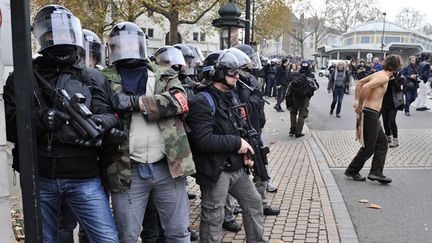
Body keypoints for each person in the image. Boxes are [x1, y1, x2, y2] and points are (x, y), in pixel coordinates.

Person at [4, 5, 121, 242]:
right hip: (41, 177)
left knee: (107, 238)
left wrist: (98, 123)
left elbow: (110, 113)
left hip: (85, 177)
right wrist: (41, 118)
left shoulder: (92, 76)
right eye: (51, 34)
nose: (58, 40)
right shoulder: (22, 77)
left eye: (66, 34)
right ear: (41, 37)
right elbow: (10, 125)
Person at [102, 22, 195, 243]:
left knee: (179, 233)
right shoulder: (103, 78)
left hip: (168, 167)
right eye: (121, 44)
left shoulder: (164, 75)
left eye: (132, 43)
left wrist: (136, 103)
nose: (127, 48)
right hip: (126, 171)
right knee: (127, 236)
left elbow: (181, 102)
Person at [186, 49, 266, 243]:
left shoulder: (232, 96)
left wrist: (246, 151)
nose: (237, 76)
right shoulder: (202, 101)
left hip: (236, 166)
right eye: (232, 72)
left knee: (254, 204)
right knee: (214, 216)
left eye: (237, 72)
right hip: (216, 170)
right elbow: (202, 140)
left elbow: (238, 128)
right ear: (217, 72)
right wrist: (237, 143)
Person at [344, 54, 402, 184]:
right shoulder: (382, 77)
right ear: (397, 66)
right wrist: (359, 105)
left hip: (372, 114)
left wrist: (357, 99)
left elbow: (360, 82)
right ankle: (352, 170)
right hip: (370, 113)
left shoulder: (380, 74)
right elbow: (365, 87)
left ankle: (376, 172)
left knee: (382, 144)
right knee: (369, 148)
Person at [287, 61, 319, 138]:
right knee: (302, 114)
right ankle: (298, 132)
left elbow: (290, 86)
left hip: (294, 97)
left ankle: (292, 129)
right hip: (305, 98)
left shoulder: (296, 74)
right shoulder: (310, 75)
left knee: (293, 112)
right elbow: (316, 86)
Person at [381, 69, 405, 148]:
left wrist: (393, 80)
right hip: (384, 103)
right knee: (385, 121)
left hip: (394, 104)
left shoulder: (400, 78)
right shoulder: (384, 77)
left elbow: (399, 89)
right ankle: (388, 137)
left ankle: (395, 139)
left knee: (391, 120)